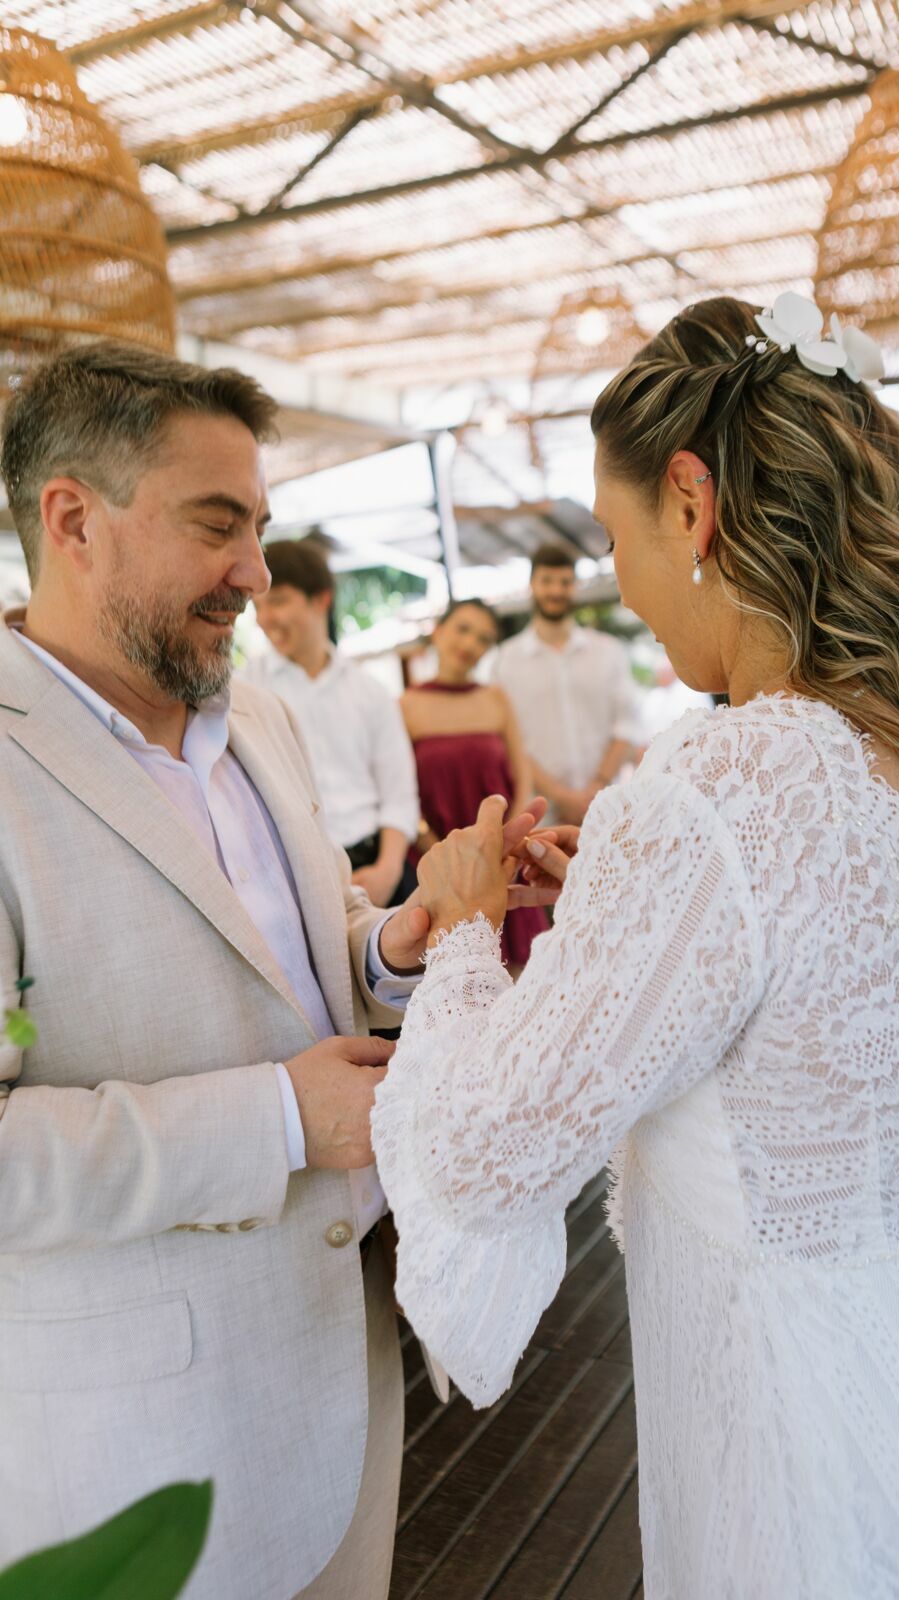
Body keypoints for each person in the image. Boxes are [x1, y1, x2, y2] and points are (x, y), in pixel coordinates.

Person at [372, 294, 899, 1599]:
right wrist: (636, 922)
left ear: (687, 506)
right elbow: (823, 1017)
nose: (624, 580)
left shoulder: (717, 792)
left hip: (819, 1460)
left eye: (614, 532)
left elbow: (475, 1157)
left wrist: (466, 933)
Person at [0, 342, 540, 1600]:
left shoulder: (259, 716)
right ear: (71, 519)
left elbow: (302, 941)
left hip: (345, 1384)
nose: (256, 572)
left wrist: (395, 943)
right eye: (216, 524)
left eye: (261, 525)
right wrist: (282, 1118)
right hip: (135, 1459)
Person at [245, 538, 419, 907]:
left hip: (378, 869)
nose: (264, 619)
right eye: (257, 606)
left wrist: (387, 872)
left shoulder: (369, 691)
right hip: (292, 881)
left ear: (320, 599)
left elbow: (399, 794)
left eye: (277, 601)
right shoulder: (244, 692)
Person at [400, 598, 548, 971]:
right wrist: (438, 852)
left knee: (520, 975)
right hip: (435, 856)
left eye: (483, 638)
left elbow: (522, 774)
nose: (470, 644)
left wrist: (505, 847)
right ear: (439, 631)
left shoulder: (495, 699)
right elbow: (400, 791)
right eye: (463, 629)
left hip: (500, 857)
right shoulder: (406, 705)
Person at [493, 543, 640, 822]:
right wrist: (561, 797)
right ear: (532, 585)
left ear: (576, 586)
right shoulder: (505, 662)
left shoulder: (608, 651)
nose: (556, 591)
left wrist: (596, 787)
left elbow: (627, 726)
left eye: (565, 582)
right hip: (541, 814)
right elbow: (508, 741)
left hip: (610, 807)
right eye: (547, 581)